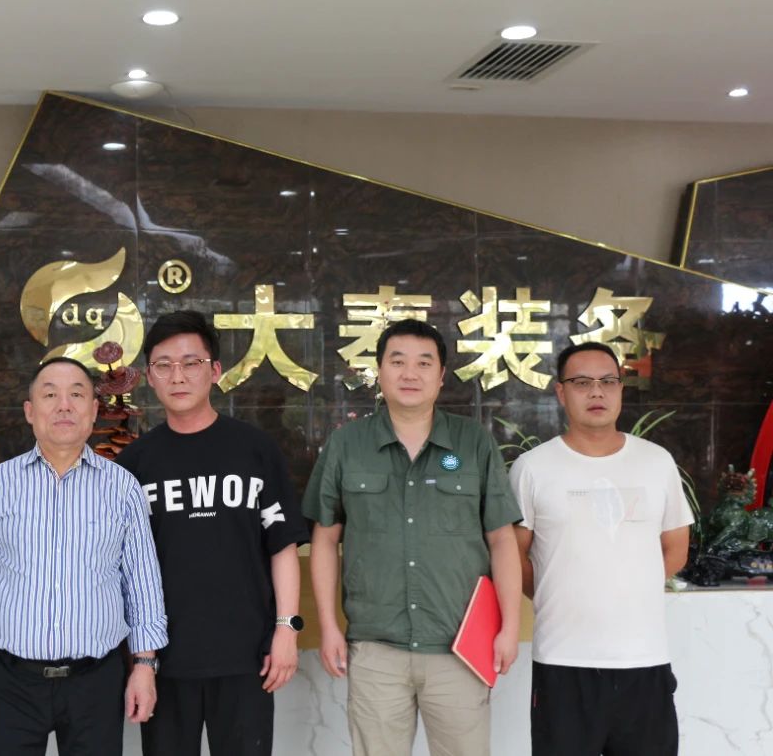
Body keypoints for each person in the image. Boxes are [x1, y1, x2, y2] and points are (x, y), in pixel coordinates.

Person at [303, 318, 522, 756]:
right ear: (379, 372)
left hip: (459, 647)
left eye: (424, 363)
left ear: (441, 376)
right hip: (375, 647)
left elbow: (502, 540)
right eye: (397, 361)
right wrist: (329, 628)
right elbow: (325, 540)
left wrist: (510, 628)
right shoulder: (347, 445)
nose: (410, 373)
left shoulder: (473, 442)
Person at [115, 310, 309, 756]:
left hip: (247, 656)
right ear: (150, 376)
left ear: (215, 370)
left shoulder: (255, 450)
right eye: (164, 365)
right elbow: (124, 567)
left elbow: (281, 546)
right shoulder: (134, 465)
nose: (178, 376)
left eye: (191, 363)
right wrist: (140, 658)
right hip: (165, 659)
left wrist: (287, 630)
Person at [0, 356, 168, 756]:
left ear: (94, 410)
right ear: (30, 410)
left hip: (95, 681)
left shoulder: (122, 488)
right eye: (50, 395)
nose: (64, 406)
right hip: (10, 681)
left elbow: (142, 583)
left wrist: (145, 666)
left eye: (76, 394)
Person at [511, 341, 691, 756]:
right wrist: (557, 594)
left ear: (621, 389)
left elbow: (675, 549)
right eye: (582, 382)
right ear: (561, 392)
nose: (597, 392)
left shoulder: (656, 462)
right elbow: (513, 556)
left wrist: (627, 590)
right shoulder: (532, 468)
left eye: (608, 381)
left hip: (644, 659)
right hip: (563, 661)